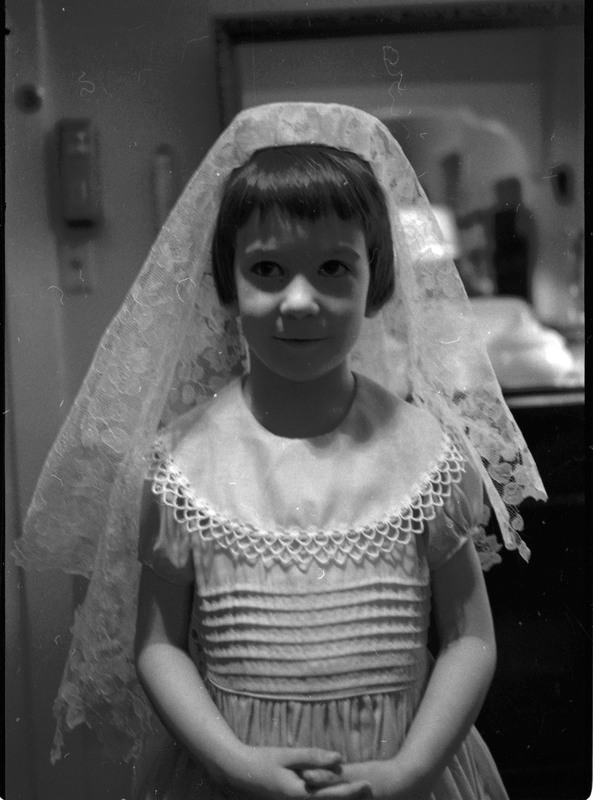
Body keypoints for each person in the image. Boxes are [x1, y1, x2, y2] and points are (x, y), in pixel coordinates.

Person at [14, 103, 546, 799]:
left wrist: (410, 770)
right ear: (228, 284)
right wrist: (232, 765)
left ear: (376, 281)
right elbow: (159, 645)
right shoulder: (181, 467)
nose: (299, 301)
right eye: (267, 268)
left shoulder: (425, 455)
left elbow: (469, 638)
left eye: (332, 267)